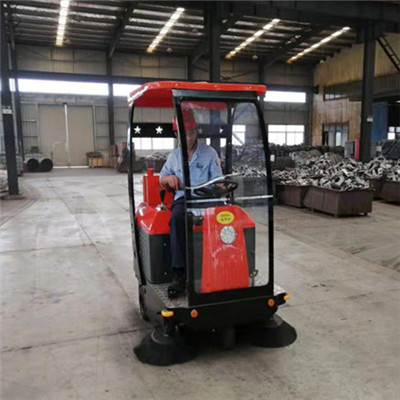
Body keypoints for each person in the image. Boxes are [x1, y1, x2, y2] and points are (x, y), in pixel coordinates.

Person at [160, 110, 223, 298]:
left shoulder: (209, 153)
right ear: (176, 134)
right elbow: (162, 177)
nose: (188, 138)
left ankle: (222, 267)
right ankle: (180, 275)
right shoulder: (174, 157)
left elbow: (218, 180)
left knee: (227, 218)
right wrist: (168, 178)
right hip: (184, 198)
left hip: (207, 198)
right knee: (177, 217)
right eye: (184, 134)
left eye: (192, 133)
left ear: (196, 131)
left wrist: (221, 186)